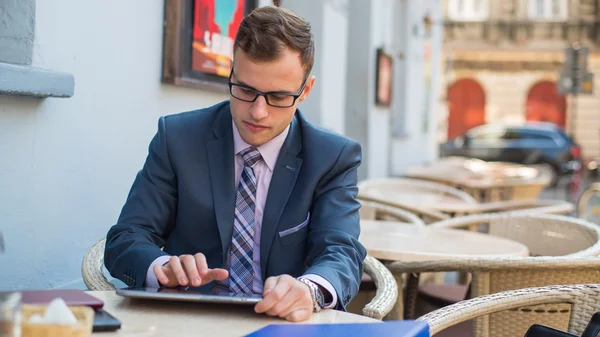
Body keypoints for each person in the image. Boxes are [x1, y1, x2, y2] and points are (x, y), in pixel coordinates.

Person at [104, 5, 366, 322]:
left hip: (280, 324)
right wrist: (161, 268)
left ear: (305, 90)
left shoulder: (331, 157)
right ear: (231, 72)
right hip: (186, 321)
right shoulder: (177, 139)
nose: (257, 112)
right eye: (245, 89)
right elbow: (126, 238)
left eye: (279, 97)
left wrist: (309, 290)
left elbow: (341, 252)